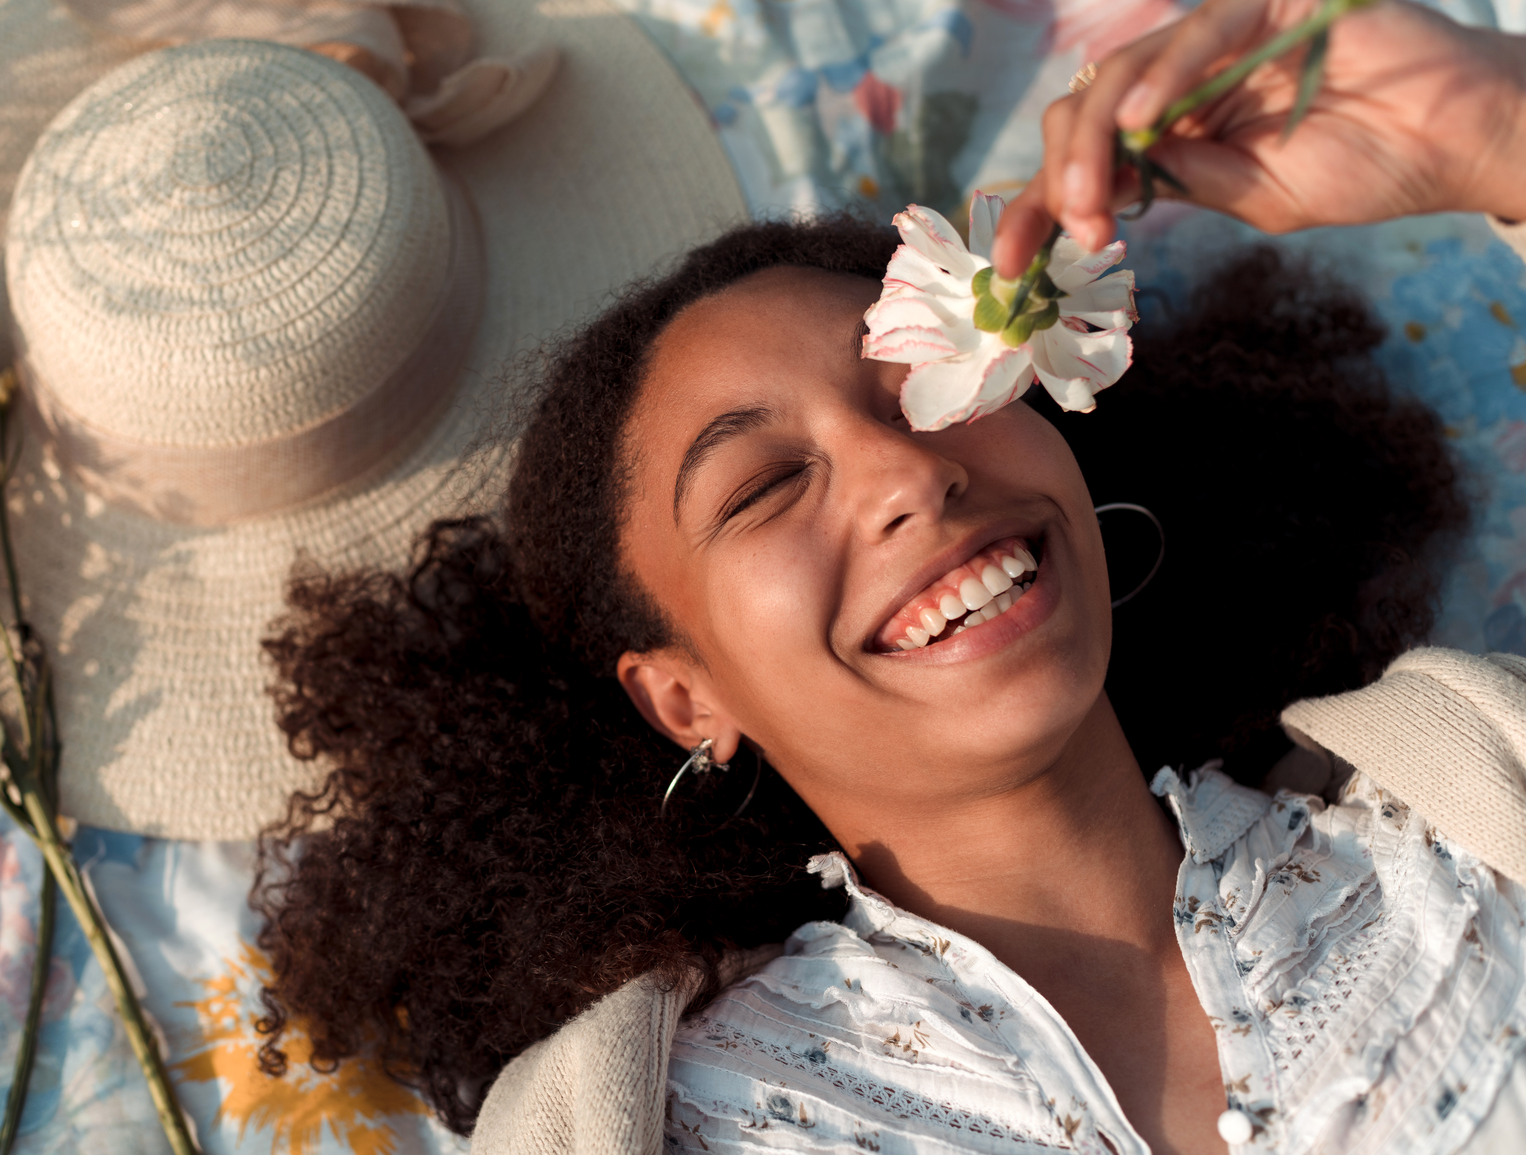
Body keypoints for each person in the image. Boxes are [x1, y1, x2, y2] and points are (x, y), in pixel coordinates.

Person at [250, 1, 1526, 1151]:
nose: (903, 473)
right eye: (761, 487)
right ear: (685, 698)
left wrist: (1492, 129)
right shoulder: (674, 1125)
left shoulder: (1472, 821)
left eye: (925, 383)